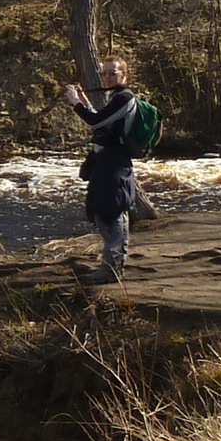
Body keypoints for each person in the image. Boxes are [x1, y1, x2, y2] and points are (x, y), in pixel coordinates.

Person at [65, 60, 142, 285]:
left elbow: (94, 121)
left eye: (113, 73)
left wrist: (75, 102)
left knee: (112, 210)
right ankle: (112, 264)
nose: (108, 77)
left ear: (124, 74)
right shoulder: (116, 98)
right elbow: (101, 123)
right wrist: (85, 102)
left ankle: (112, 268)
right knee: (103, 209)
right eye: (105, 74)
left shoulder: (125, 98)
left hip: (115, 163)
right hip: (108, 161)